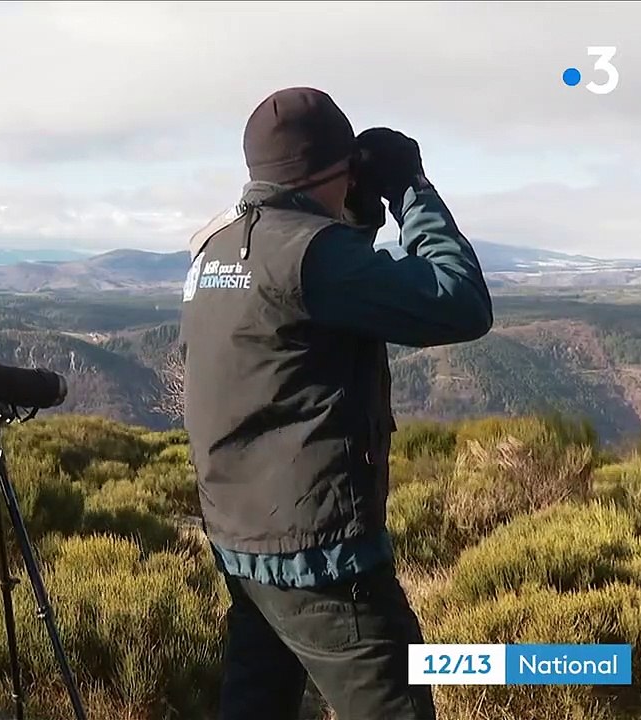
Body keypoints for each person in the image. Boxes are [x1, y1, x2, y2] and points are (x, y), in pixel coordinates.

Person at [180, 87, 493, 720]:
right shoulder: (312, 255)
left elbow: (318, 297)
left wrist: (352, 208)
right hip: (321, 553)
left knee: (256, 704)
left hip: (242, 539)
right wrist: (409, 189)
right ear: (339, 169)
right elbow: (459, 301)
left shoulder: (216, 246)